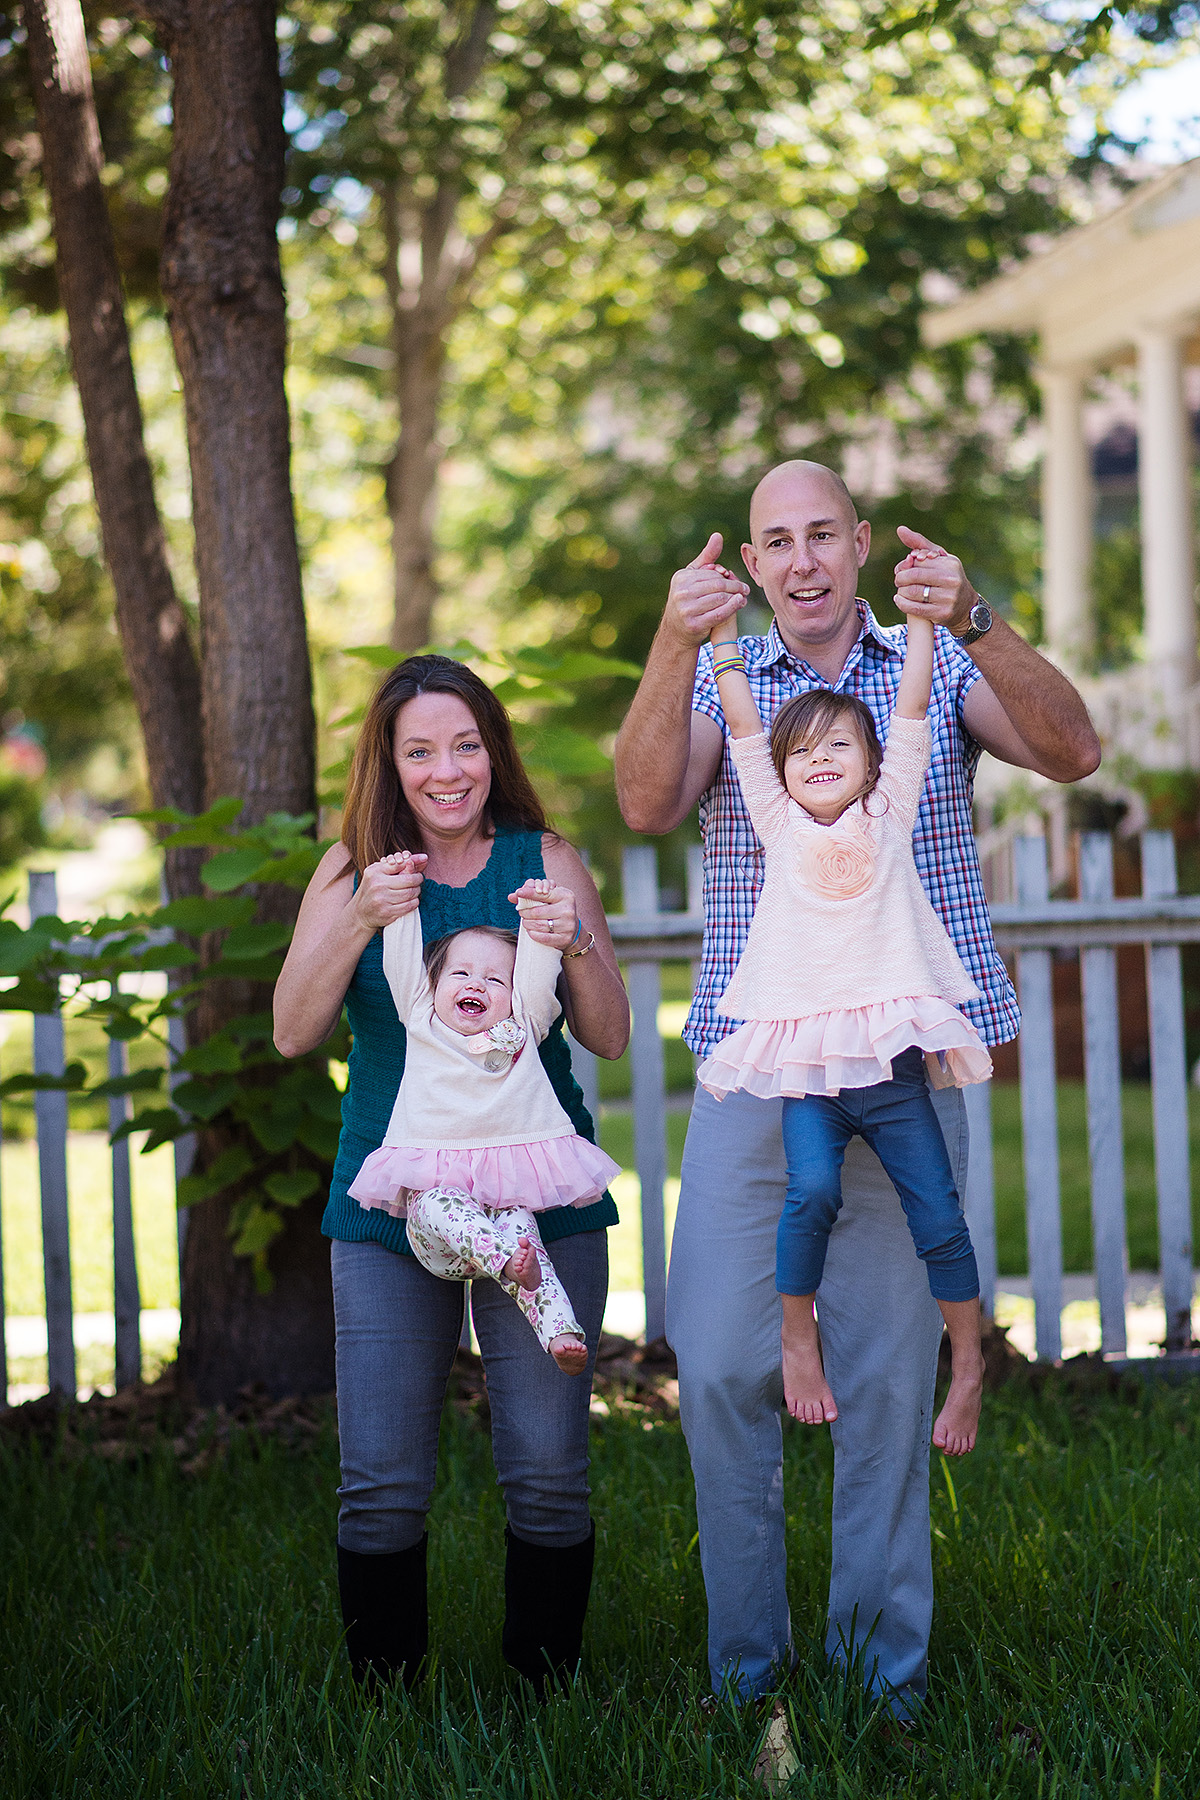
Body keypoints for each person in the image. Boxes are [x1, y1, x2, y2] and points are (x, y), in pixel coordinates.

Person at [614, 460, 1100, 1716]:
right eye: (776, 541)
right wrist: (677, 639)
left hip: (900, 1071)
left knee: (885, 1381)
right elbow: (645, 798)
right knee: (720, 1361)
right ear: (757, 565)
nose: (802, 560)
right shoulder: (736, 685)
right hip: (760, 1072)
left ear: (861, 541)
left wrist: (980, 616)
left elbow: (1073, 749)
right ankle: (749, 1679)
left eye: (822, 533)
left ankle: (883, 1692)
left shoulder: (927, 661)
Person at [274, 654, 630, 1696]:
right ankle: (387, 1710)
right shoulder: (350, 870)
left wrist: (574, 950)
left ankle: (543, 1700)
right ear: (388, 761)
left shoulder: (543, 857)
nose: (446, 769)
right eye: (420, 749)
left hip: (539, 1194)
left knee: (551, 1474)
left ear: (493, 749)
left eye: (466, 744)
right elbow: (295, 1030)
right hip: (388, 1206)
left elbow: (606, 1034)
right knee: (381, 1484)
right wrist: (355, 916)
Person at [702, 596, 991, 1457]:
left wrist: (926, 622)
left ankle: (969, 1365)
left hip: (893, 1074)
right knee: (813, 1193)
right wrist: (720, 643)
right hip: (809, 1070)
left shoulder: (889, 812)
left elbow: (911, 708)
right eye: (804, 751)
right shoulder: (777, 824)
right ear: (783, 776)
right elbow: (747, 734)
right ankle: (801, 1338)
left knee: (938, 1214)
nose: (819, 758)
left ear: (871, 766)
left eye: (839, 746)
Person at [347, 874, 621, 1373]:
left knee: (523, 1232)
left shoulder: (523, 1028)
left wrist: (538, 918)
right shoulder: (420, 1017)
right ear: (432, 985)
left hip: (503, 1225)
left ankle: (560, 1332)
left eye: (495, 980)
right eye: (460, 974)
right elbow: (402, 960)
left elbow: (537, 977)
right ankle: (504, 1258)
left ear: (513, 994)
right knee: (436, 1203)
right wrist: (402, 903)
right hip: (441, 1236)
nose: (476, 984)